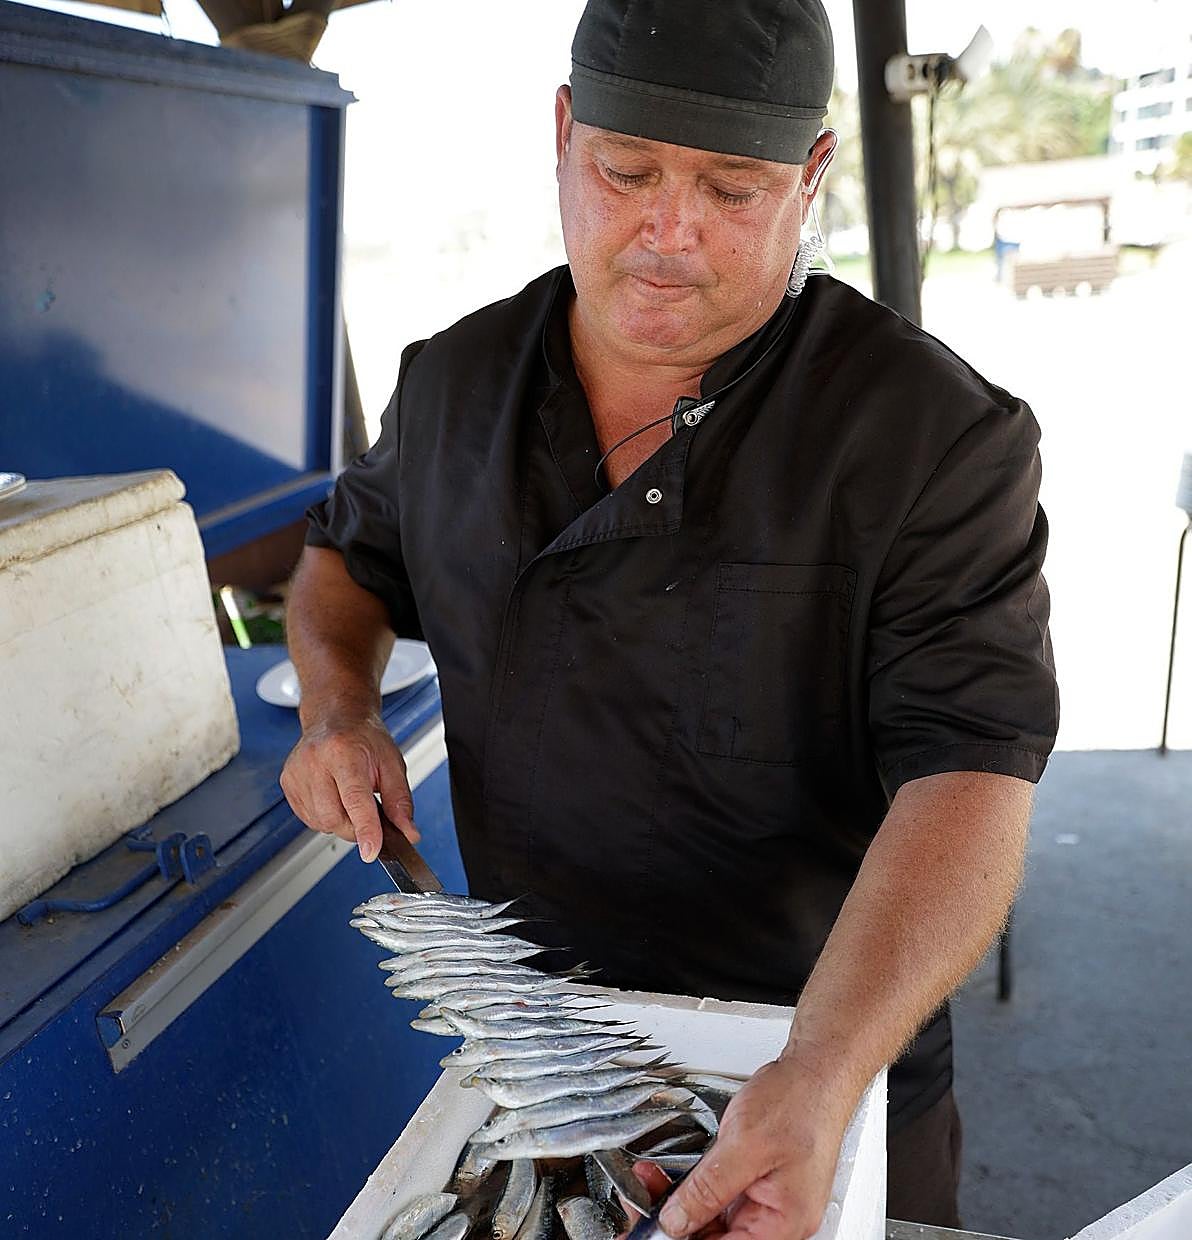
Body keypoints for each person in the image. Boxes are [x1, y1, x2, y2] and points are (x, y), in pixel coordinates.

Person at [280, 0, 1059, 1234]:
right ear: (562, 132)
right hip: (543, 1051)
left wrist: (819, 1068)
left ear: (811, 174)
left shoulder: (933, 438)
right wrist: (338, 709)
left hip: (825, 1059)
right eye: (625, 170)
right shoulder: (453, 383)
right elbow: (343, 564)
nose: (667, 233)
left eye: (732, 189)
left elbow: (969, 769)